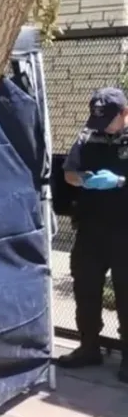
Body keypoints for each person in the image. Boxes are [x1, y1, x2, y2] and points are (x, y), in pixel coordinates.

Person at [59, 86, 128, 382]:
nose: (101, 127)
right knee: (85, 292)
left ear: (125, 113)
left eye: (108, 120)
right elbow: (68, 172)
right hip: (90, 230)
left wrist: (121, 181)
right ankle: (89, 348)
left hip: (125, 232)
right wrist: (83, 180)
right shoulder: (88, 135)